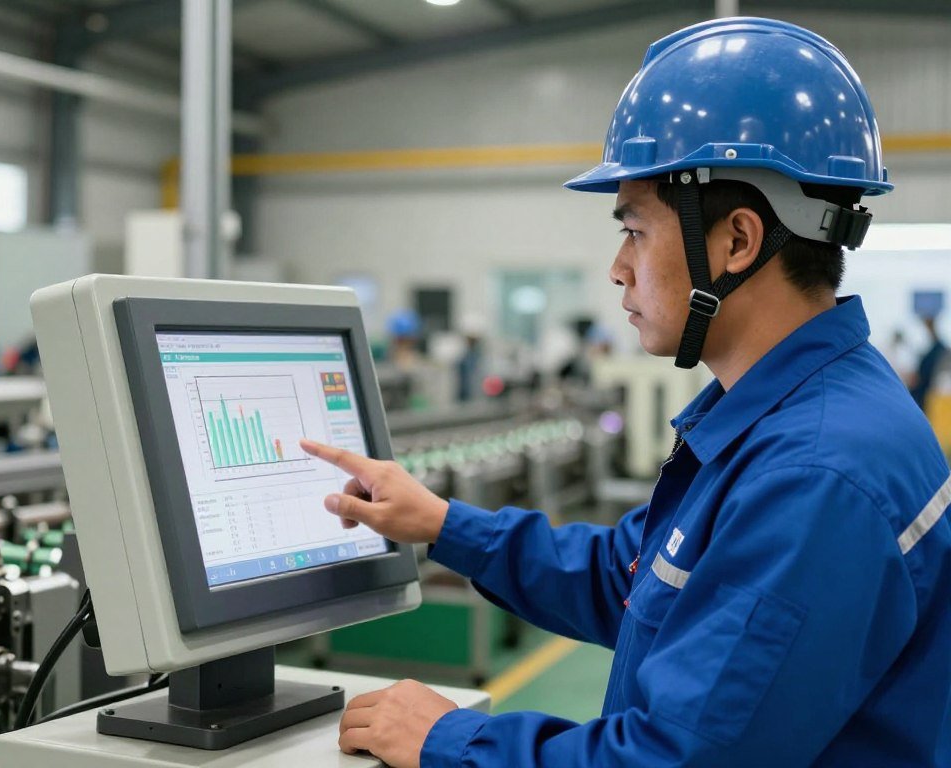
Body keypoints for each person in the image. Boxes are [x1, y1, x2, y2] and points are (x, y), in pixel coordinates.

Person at [301, 17, 951, 768]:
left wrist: (448, 738)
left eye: (635, 230)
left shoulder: (813, 474)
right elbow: (631, 580)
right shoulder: (785, 415)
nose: (617, 268)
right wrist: (443, 523)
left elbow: (674, 760)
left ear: (736, 242)